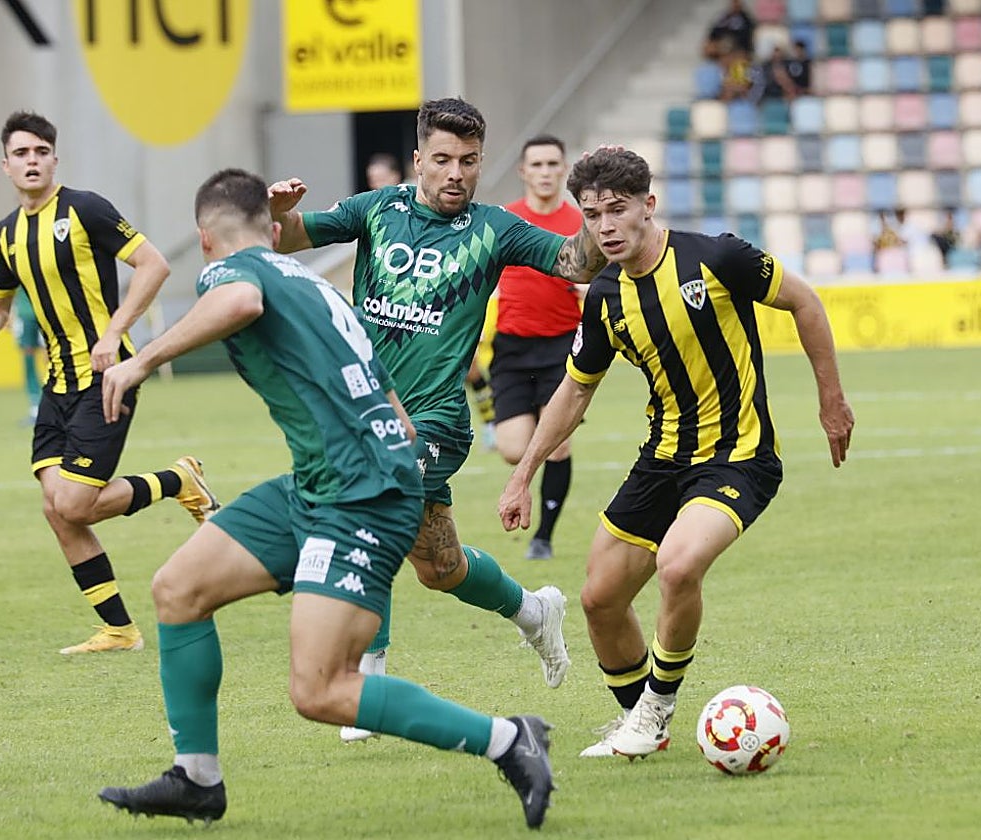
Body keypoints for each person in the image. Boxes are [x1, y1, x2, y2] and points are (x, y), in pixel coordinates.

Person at [96, 168, 554, 829]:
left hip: (360, 494)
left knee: (320, 689)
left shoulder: (231, 273)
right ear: (269, 225)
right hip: (324, 481)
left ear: (207, 237)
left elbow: (239, 305)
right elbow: (381, 385)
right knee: (178, 589)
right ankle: (196, 777)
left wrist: (138, 361)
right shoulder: (313, 282)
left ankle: (510, 739)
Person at [267, 97, 606, 741]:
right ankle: (533, 611)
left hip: (438, 419)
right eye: (444, 160)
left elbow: (578, 263)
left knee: (370, 497)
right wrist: (277, 213)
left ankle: (366, 672)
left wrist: (592, 209)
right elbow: (288, 237)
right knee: (438, 565)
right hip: (363, 412)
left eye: (470, 161)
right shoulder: (376, 210)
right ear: (419, 159)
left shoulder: (496, 228)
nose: (456, 173)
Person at [498, 147, 855, 759]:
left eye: (617, 210)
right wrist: (523, 473)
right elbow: (575, 389)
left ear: (648, 205)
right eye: (592, 215)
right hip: (662, 459)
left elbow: (806, 301)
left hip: (740, 456)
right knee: (599, 599)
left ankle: (655, 712)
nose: (605, 226)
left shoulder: (715, 257)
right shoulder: (605, 295)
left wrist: (831, 401)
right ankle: (643, 722)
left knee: (679, 566)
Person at [0, 111, 220, 655]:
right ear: (6, 166)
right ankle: (119, 629)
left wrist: (115, 331)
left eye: (41, 152)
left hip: (108, 375)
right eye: (21, 154)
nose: (32, 161)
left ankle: (177, 480)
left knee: (72, 504)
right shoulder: (8, 234)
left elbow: (154, 264)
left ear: (54, 159)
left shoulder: (85, 208)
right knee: (57, 508)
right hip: (56, 384)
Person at [491, 134, 586, 561]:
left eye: (553, 164)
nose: (546, 172)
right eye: (538, 165)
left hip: (562, 350)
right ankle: (522, 474)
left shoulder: (581, 224)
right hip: (511, 349)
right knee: (514, 449)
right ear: (523, 171)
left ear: (563, 169)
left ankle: (543, 537)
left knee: (558, 444)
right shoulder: (505, 220)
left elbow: (599, 284)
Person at [13, 286, 44, 423]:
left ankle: (56, 401)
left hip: (47, 313)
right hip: (25, 314)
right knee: (28, 359)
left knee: (54, 357)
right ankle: (35, 405)